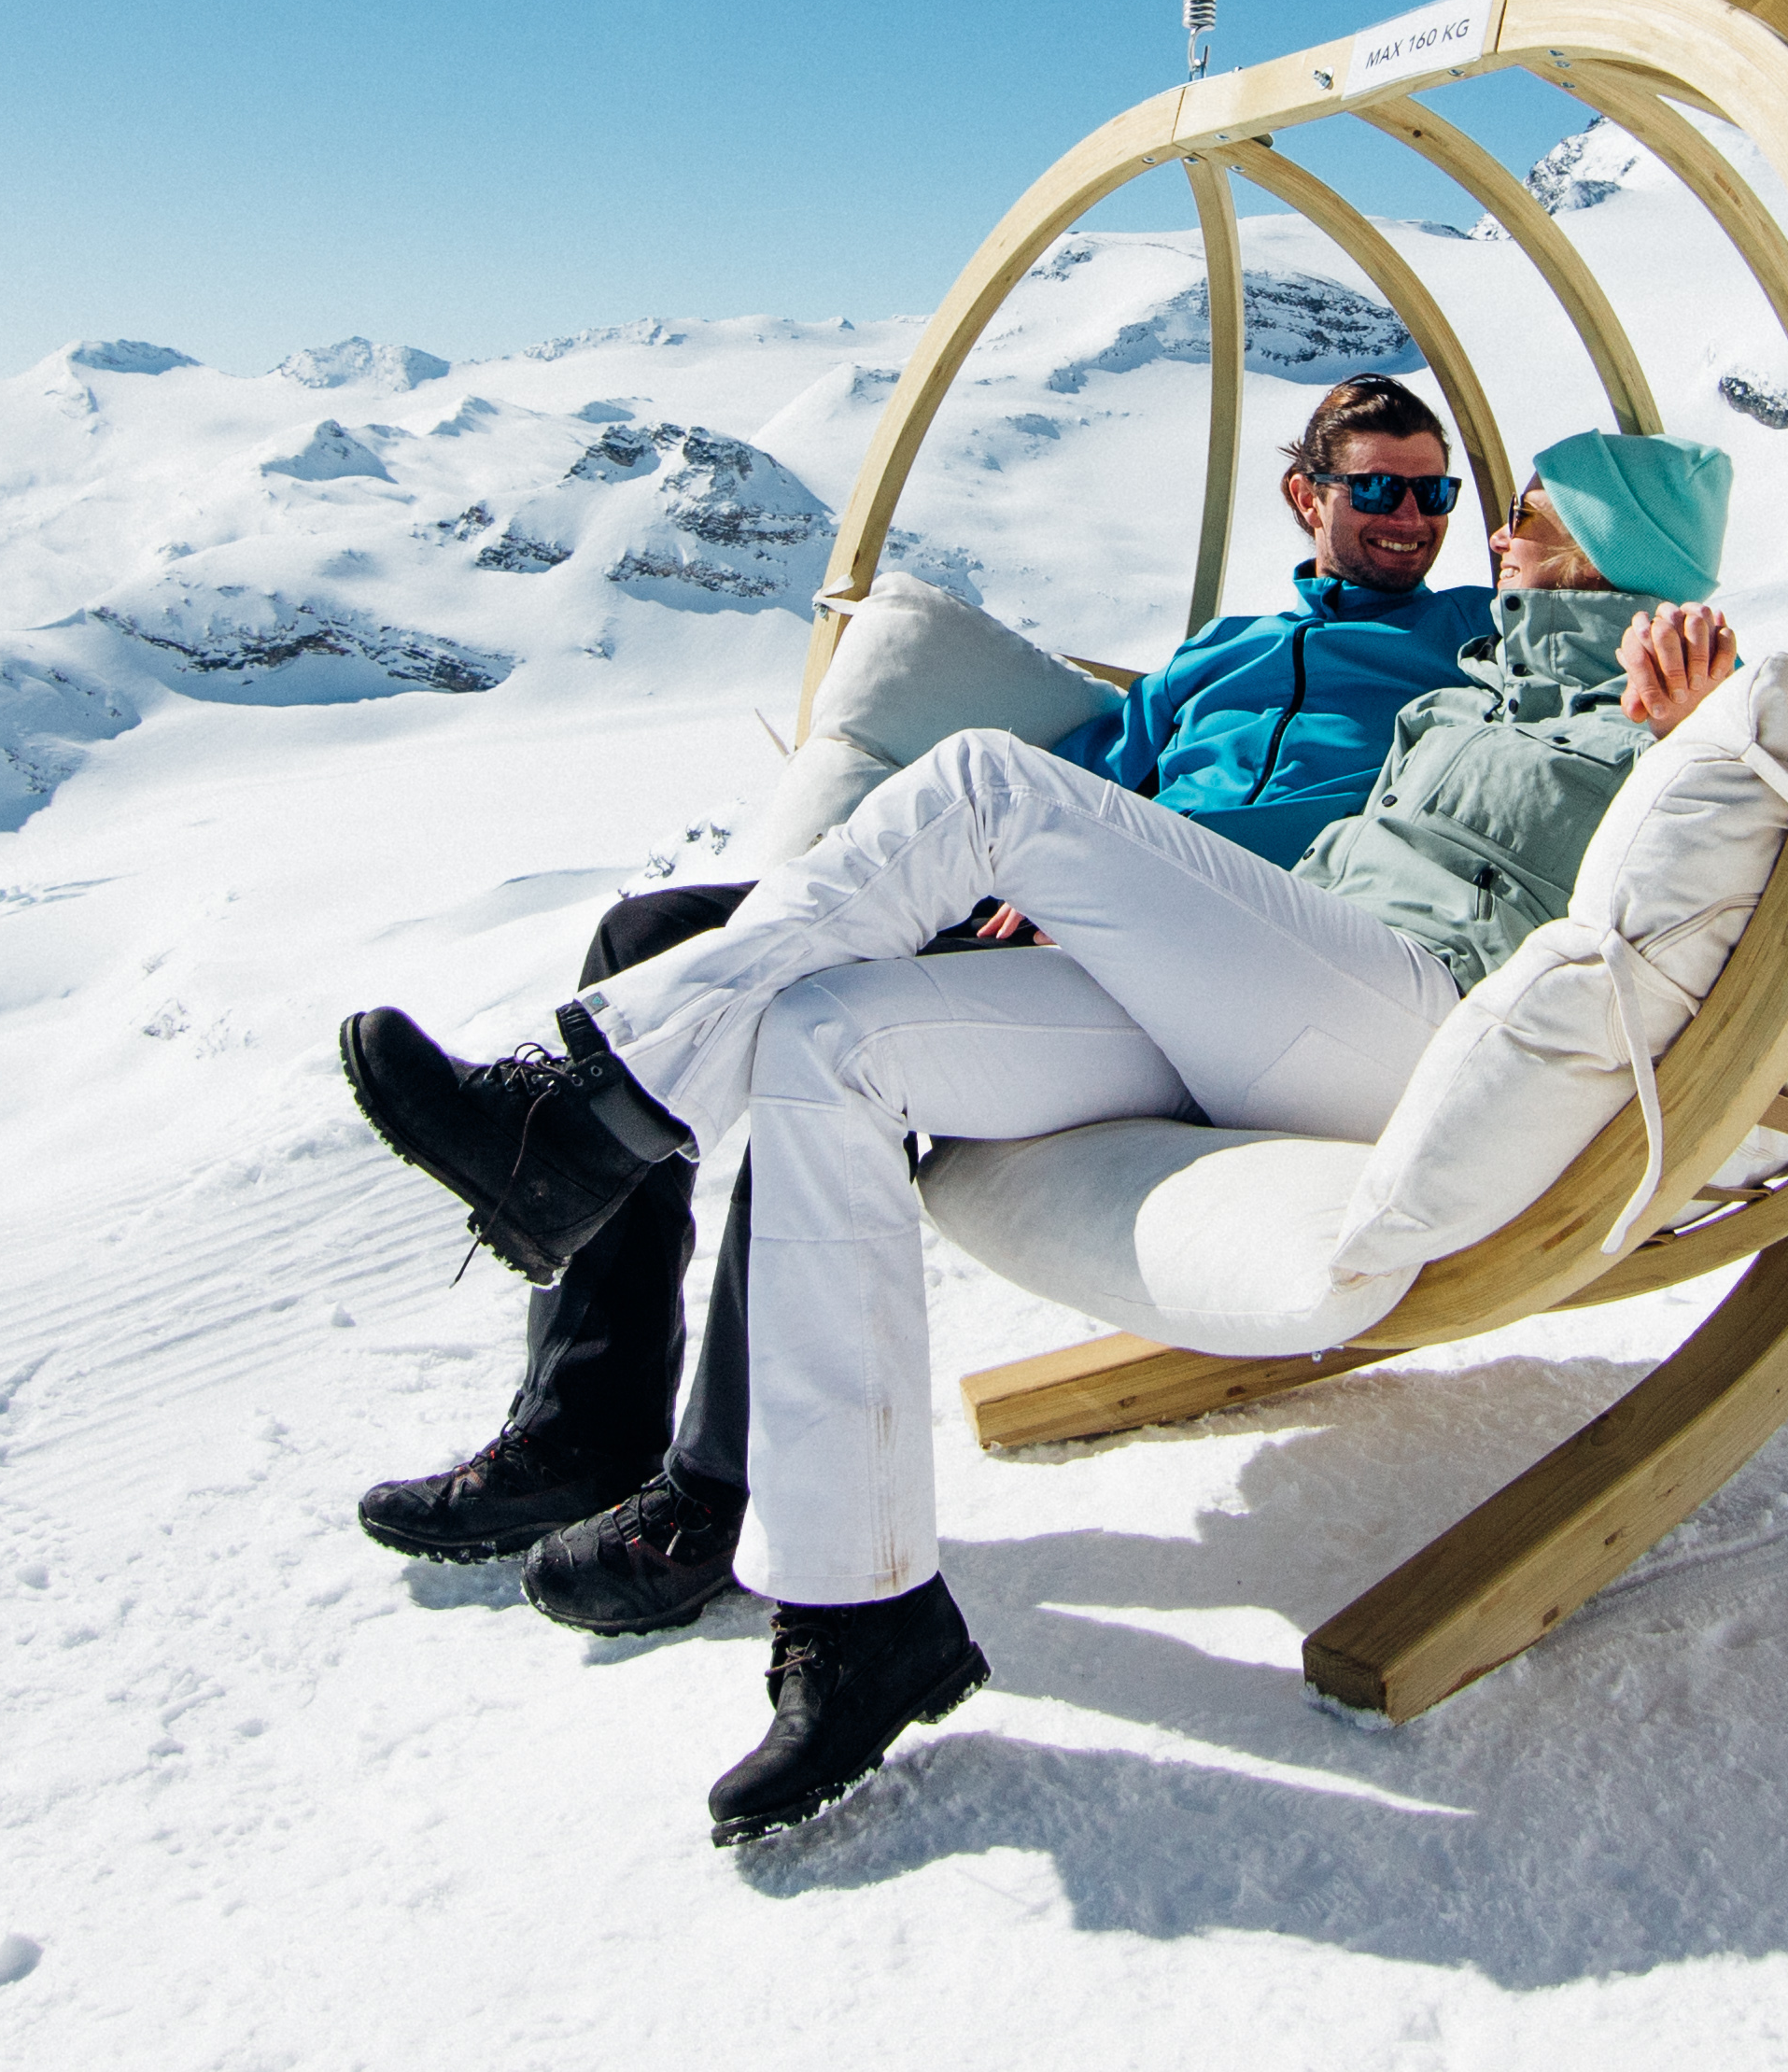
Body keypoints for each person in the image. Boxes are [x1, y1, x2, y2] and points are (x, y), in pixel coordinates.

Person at [343, 418, 1743, 1844]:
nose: (1474, 525)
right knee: (831, 1039)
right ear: (1308, 496)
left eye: (1513, 508)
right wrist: (1103, 885)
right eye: (1399, 489)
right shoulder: (1458, 671)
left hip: (1413, 1019)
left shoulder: (1659, 694)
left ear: (1615, 544)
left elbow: (1718, 820)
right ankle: (861, 1612)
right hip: (1243, 987)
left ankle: (584, 1118)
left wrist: (1689, 728)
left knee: (986, 786)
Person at [351, 373, 1502, 1621]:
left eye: (1434, 493)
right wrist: (1043, 866)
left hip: (1226, 957)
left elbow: (1455, 777)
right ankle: (582, 1421)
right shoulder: (1219, 654)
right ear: (1305, 496)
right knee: (647, 932)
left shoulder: (1467, 642)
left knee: (825, 1023)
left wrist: (1112, 879)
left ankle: (717, 1482)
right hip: (1050, 912)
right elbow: (1093, 770)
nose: (1412, 519)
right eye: (1378, 490)